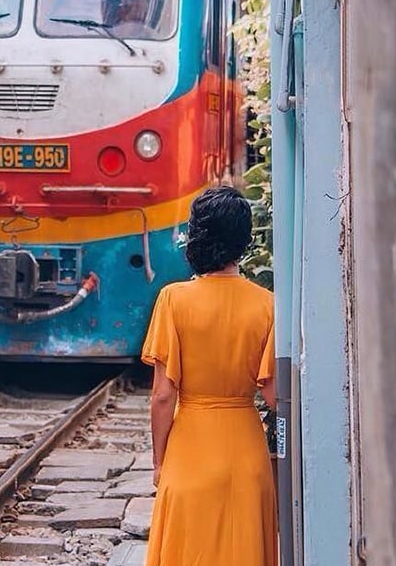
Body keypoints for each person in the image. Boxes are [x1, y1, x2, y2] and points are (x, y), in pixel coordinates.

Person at [141, 186, 277, 566]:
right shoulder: (267, 305)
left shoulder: (173, 299)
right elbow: (273, 396)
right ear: (244, 240)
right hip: (247, 453)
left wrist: (158, 461)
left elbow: (163, 396)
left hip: (190, 452)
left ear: (197, 235)